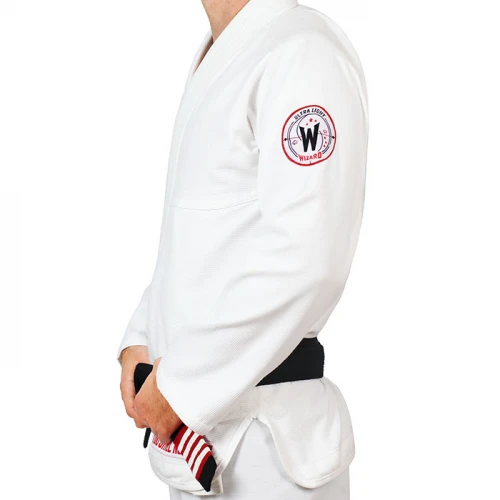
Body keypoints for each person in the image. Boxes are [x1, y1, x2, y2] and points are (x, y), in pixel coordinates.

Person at [117, 0, 368, 498]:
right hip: (198, 435)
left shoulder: (300, 51)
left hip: (269, 448)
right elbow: (203, 235)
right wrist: (143, 337)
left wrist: (181, 387)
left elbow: (307, 261)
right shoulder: (224, 51)